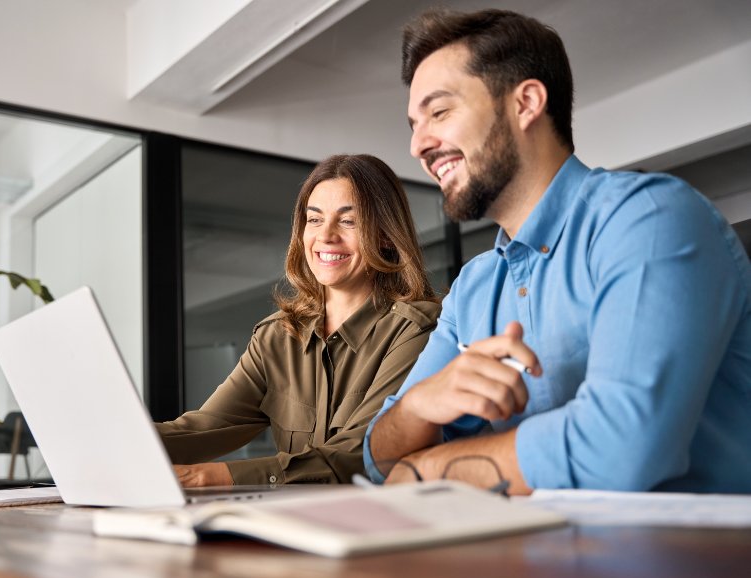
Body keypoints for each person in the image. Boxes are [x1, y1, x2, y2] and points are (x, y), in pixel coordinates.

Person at [364, 8, 751, 494]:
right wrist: (420, 405)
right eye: (413, 124)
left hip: (701, 562)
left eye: (439, 112)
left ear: (526, 103)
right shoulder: (474, 289)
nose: (419, 144)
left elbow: (621, 449)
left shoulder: (648, 218)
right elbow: (378, 460)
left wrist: (432, 468)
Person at [157, 154, 441, 487]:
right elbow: (204, 429)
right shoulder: (276, 336)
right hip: (292, 526)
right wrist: (107, 439)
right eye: (315, 219)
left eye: (348, 221)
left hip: (380, 528)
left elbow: (359, 453)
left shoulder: (417, 330)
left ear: (386, 236)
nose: (326, 235)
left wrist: (207, 476)